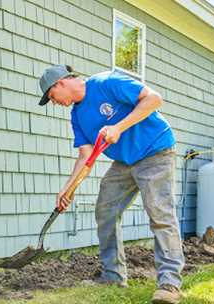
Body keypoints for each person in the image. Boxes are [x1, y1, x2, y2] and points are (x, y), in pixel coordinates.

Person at [38, 64, 185, 304]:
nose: (54, 103)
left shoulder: (106, 82)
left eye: (52, 97)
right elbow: (85, 155)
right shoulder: (76, 115)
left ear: (60, 83)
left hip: (155, 152)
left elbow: (154, 99)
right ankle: (113, 275)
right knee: (105, 210)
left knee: (160, 213)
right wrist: (68, 188)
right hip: (124, 161)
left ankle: (169, 283)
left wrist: (119, 127)